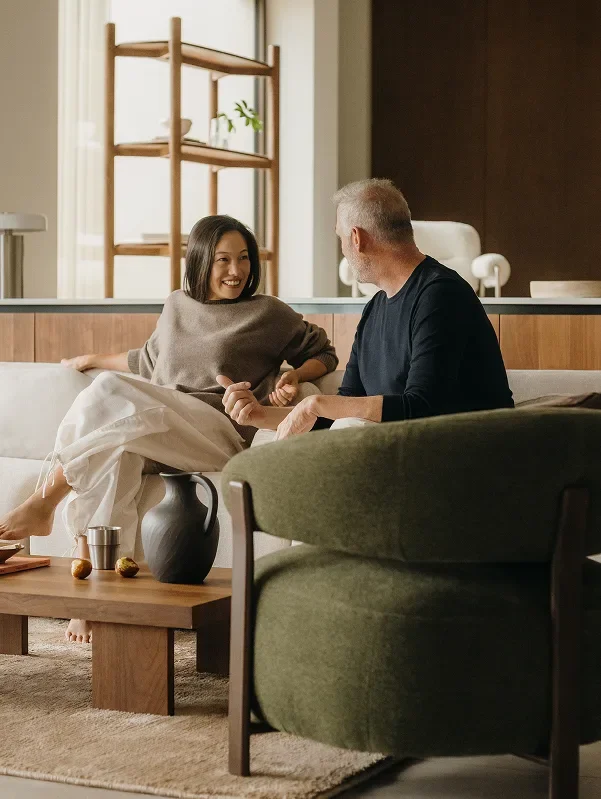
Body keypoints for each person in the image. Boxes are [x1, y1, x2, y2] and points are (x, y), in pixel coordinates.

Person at [0, 215, 337, 642]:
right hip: (158, 427)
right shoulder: (177, 305)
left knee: (114, 402)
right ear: (200, 261)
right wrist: (92, 359)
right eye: (223, 260)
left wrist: (293, 376)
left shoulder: (267, 313)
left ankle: (45, 501)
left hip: (218, 431)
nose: (236, 271)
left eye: (244, 259)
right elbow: (147, 359)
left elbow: (324, 351)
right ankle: (99, 596)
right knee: (116, 451)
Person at [217, 178, 513, 438]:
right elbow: (344, 409)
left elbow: (422, 408)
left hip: (466, 452)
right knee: (275, 439)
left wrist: (317, 403)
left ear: (357, 239)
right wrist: (260, 416)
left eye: (341, 239)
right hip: (407, 449)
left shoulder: (440, 296)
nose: (343, 249)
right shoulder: (375, 309)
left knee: (346, 432)